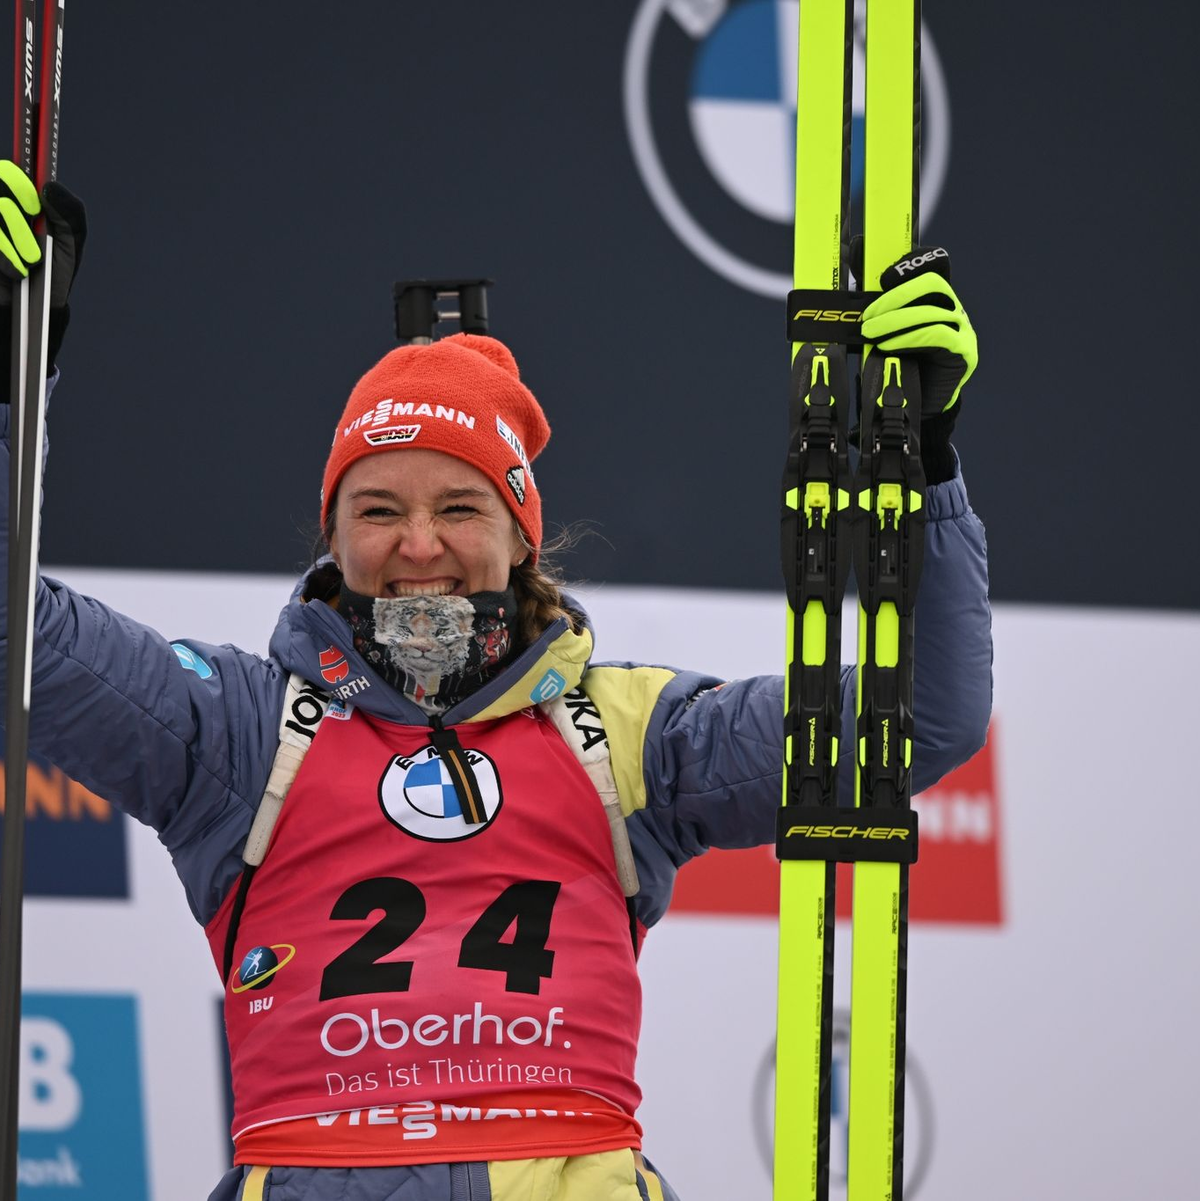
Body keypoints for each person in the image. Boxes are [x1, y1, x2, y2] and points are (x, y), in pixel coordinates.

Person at [0, 165, 991, 1201]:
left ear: (522, 535)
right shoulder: (241, 729)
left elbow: (917, 721)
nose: (418, 545)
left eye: (460, 508)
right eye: (378, 509)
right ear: (331, 538)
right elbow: (14, 632)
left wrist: (921, 462)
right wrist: (11, 388)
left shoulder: (627, 732)